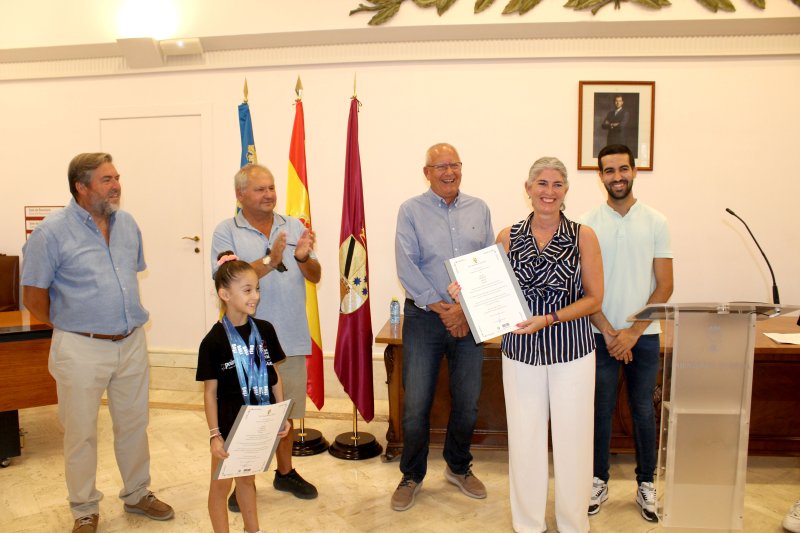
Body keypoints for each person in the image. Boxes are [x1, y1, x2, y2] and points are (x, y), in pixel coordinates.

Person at [21, 153, 173, 533]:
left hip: (131, 342)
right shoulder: (51, 232)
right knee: (81, 432)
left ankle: (138, 494)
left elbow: (129, 274)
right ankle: (84, 509)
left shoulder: (128, 224)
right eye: (106, 179)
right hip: (80, 347)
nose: (116, 185)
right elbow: (33, 296)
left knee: (134, 424)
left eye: (117, 176)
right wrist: (71, 324)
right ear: (81, 186)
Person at [491, 156, 603, 533]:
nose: (549, 192)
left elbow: (594, 299)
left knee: (573, 440)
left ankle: (573, 523)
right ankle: (528, 524)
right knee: (525, 440)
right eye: (542, 183)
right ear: (528, 189)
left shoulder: (583, 236)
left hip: (572, 350)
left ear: (566, 191)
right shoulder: (507, 236)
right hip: (521, 353)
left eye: (557, 185)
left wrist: (551, 318)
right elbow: (493, 291)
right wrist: (466, 292)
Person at [391, 142, 495, 511]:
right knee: (416, 404)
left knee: (468, 402)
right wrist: (443, 308)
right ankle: (412, 474)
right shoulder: (410, 211)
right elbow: (407, 267)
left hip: (470, 318)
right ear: (427, 172)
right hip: (423, 317)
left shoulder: (479, 209)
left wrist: (464, 313)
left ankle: (458, 466)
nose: (449, 172)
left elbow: (486, 265)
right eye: (440, 166)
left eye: (454, 165)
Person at [211, 163, 321, 508]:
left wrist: (302, 257)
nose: (269, 194)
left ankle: (285, 472)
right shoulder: (226, 231)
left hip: (289, 335)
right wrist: (271, 259)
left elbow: (315, 275)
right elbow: (228, 278)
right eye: (260, 189)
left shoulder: (294, 225)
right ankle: (241, 480)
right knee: (244, 414)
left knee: (284, 411)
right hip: (244, 340)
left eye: (271, 188)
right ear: (240, 194)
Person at [579, 144, 673, 523]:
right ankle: (598, 480)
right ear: (599, 175)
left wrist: (632, 333)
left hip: (644, 337)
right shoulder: (586, 224)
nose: (616, 176)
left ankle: (645, 484)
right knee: (599, 411)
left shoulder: (656, 221)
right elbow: (582, 286)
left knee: (642, 413)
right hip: (598, 336)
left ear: (634, 172)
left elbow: (665, 286)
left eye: (623, 169)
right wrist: (609, 331)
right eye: (608, 170)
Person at [198, 251, 292, 533]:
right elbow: (209, 393)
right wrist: (215, 435)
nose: (255, 296)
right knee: (220, 486)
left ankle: (253, 529)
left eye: (257, 289)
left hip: (257, 421)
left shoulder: (264, 330)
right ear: (224, 294)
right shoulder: (212, 341)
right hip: (228, 426)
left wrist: (281, 413)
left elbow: (274, 376)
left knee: (247, 481)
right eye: (247, 290)